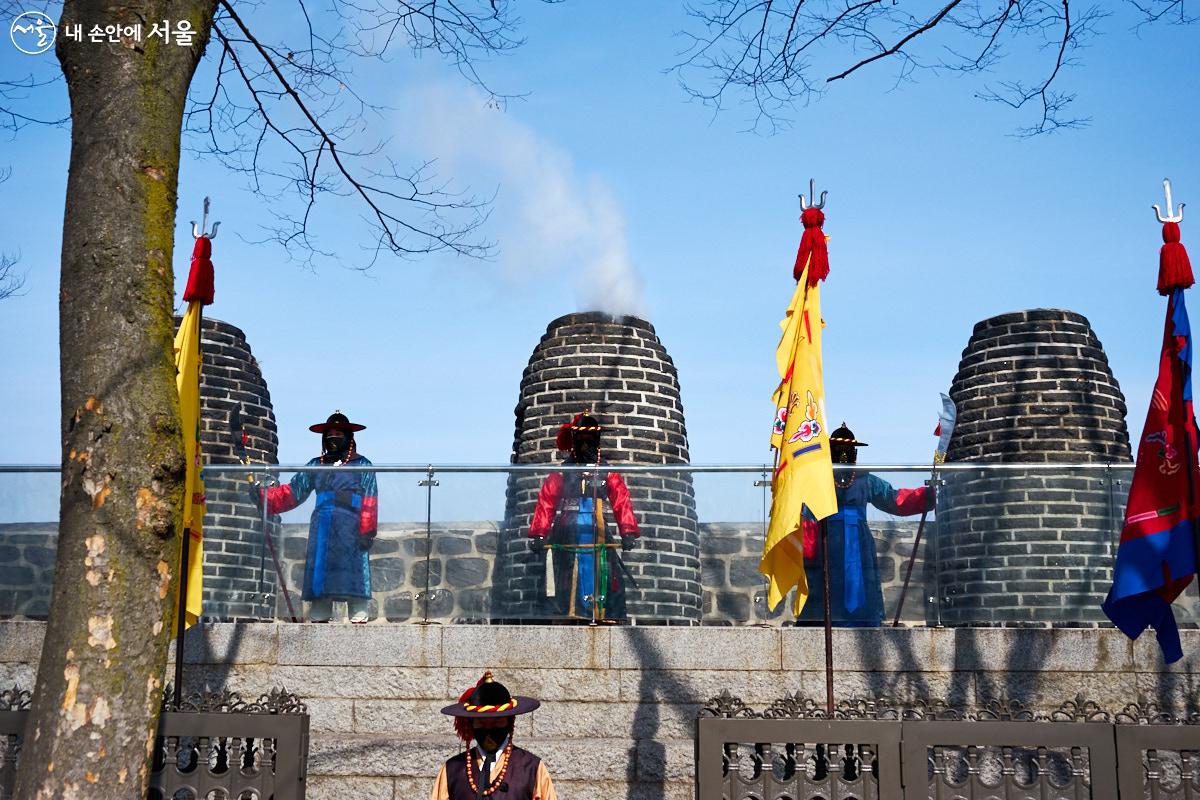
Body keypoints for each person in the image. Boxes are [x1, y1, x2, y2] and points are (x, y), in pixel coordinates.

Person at [798, 423, 934, 627]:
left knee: (861, 581)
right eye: (839, 449)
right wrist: (808, 551)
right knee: (827, 582)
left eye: (848, 450)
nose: (844, 454)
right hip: (828, 540)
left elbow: (892, 498)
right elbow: (808, 514)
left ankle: (863, 621)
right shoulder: (819, 480)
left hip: (859, 543)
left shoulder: (865, 480)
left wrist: (923, 496)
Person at [249, 411, 378, 623]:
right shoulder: (315, 464)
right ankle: (319, 616)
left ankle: (358, 616)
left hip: (352, 527)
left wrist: (367, 530)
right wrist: (264, 497)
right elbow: (292, 492)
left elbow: (370, 499)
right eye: (329, 433)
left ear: (349, 437)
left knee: (353, 573)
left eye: (338, 433)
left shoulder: (363, 464)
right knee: (321, 573)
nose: (333, 437)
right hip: (323, 526)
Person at [527, 412, 640, 622]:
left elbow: (621, 500)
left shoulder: (607, 473)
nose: (585, 445)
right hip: (567, 530)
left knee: (604, 568)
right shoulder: (562, 473)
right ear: (574, 441)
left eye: (590, 440)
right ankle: (567, 614)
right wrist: (539, 533)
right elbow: (547, 502)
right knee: (566, 570)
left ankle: (601, 613)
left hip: (597, 528)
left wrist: (628, 531)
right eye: (581, 440)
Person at [431, 671, 556, 800]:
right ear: (471, 723)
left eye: (497, 721)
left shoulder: (532, 768)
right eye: (481, 722)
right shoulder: (452, 770)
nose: (489, 728)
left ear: (509, 722)